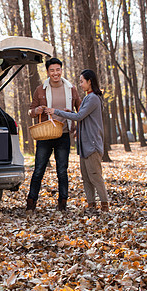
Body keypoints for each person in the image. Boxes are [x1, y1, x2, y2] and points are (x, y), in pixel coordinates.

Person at [45, 69, 109, 212]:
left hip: (92, 145)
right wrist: (71, 113)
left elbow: (79, 116)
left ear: (89, 81)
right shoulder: (88, 97)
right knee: (86, 178)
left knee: (95, 176)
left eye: (82, 81)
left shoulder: (93, 98)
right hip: (84, 145)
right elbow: (82, 115)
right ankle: (91, 205)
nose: (80, 84)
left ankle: (105, 205)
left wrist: (56, 111)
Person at [27, 58, 82, 212]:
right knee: (38, 170)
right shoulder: (40, 90)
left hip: (63, 134)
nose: (55, 73)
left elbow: (81, 110)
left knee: (62, 171)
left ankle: (63, 204)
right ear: (48, 72)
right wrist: (36, 111)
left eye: (58, 69)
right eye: (52, 70)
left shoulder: (71, 89)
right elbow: (30, 111)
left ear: (61, 70)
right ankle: (31, 203)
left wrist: (72, 117)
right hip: (45, 136)